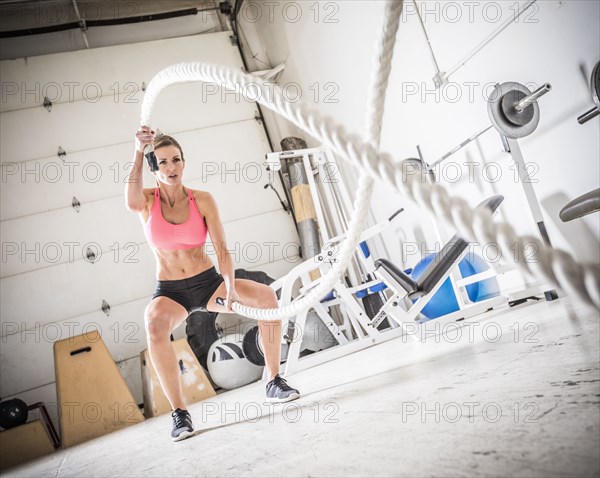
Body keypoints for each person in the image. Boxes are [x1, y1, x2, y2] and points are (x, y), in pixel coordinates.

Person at [125, 126, 300, 441]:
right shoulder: (147, 202)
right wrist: (138, 151)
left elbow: (222, 250)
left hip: (208, 283)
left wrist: (230, 288)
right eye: (162, 162)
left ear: (184, 162)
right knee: (153, 325)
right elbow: (130, 200)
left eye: (176, 160)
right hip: (171, 291)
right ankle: (180, 414)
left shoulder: (202, 200)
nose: (171, 167)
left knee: (265, 298)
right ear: (153, 168)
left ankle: (273, 380)